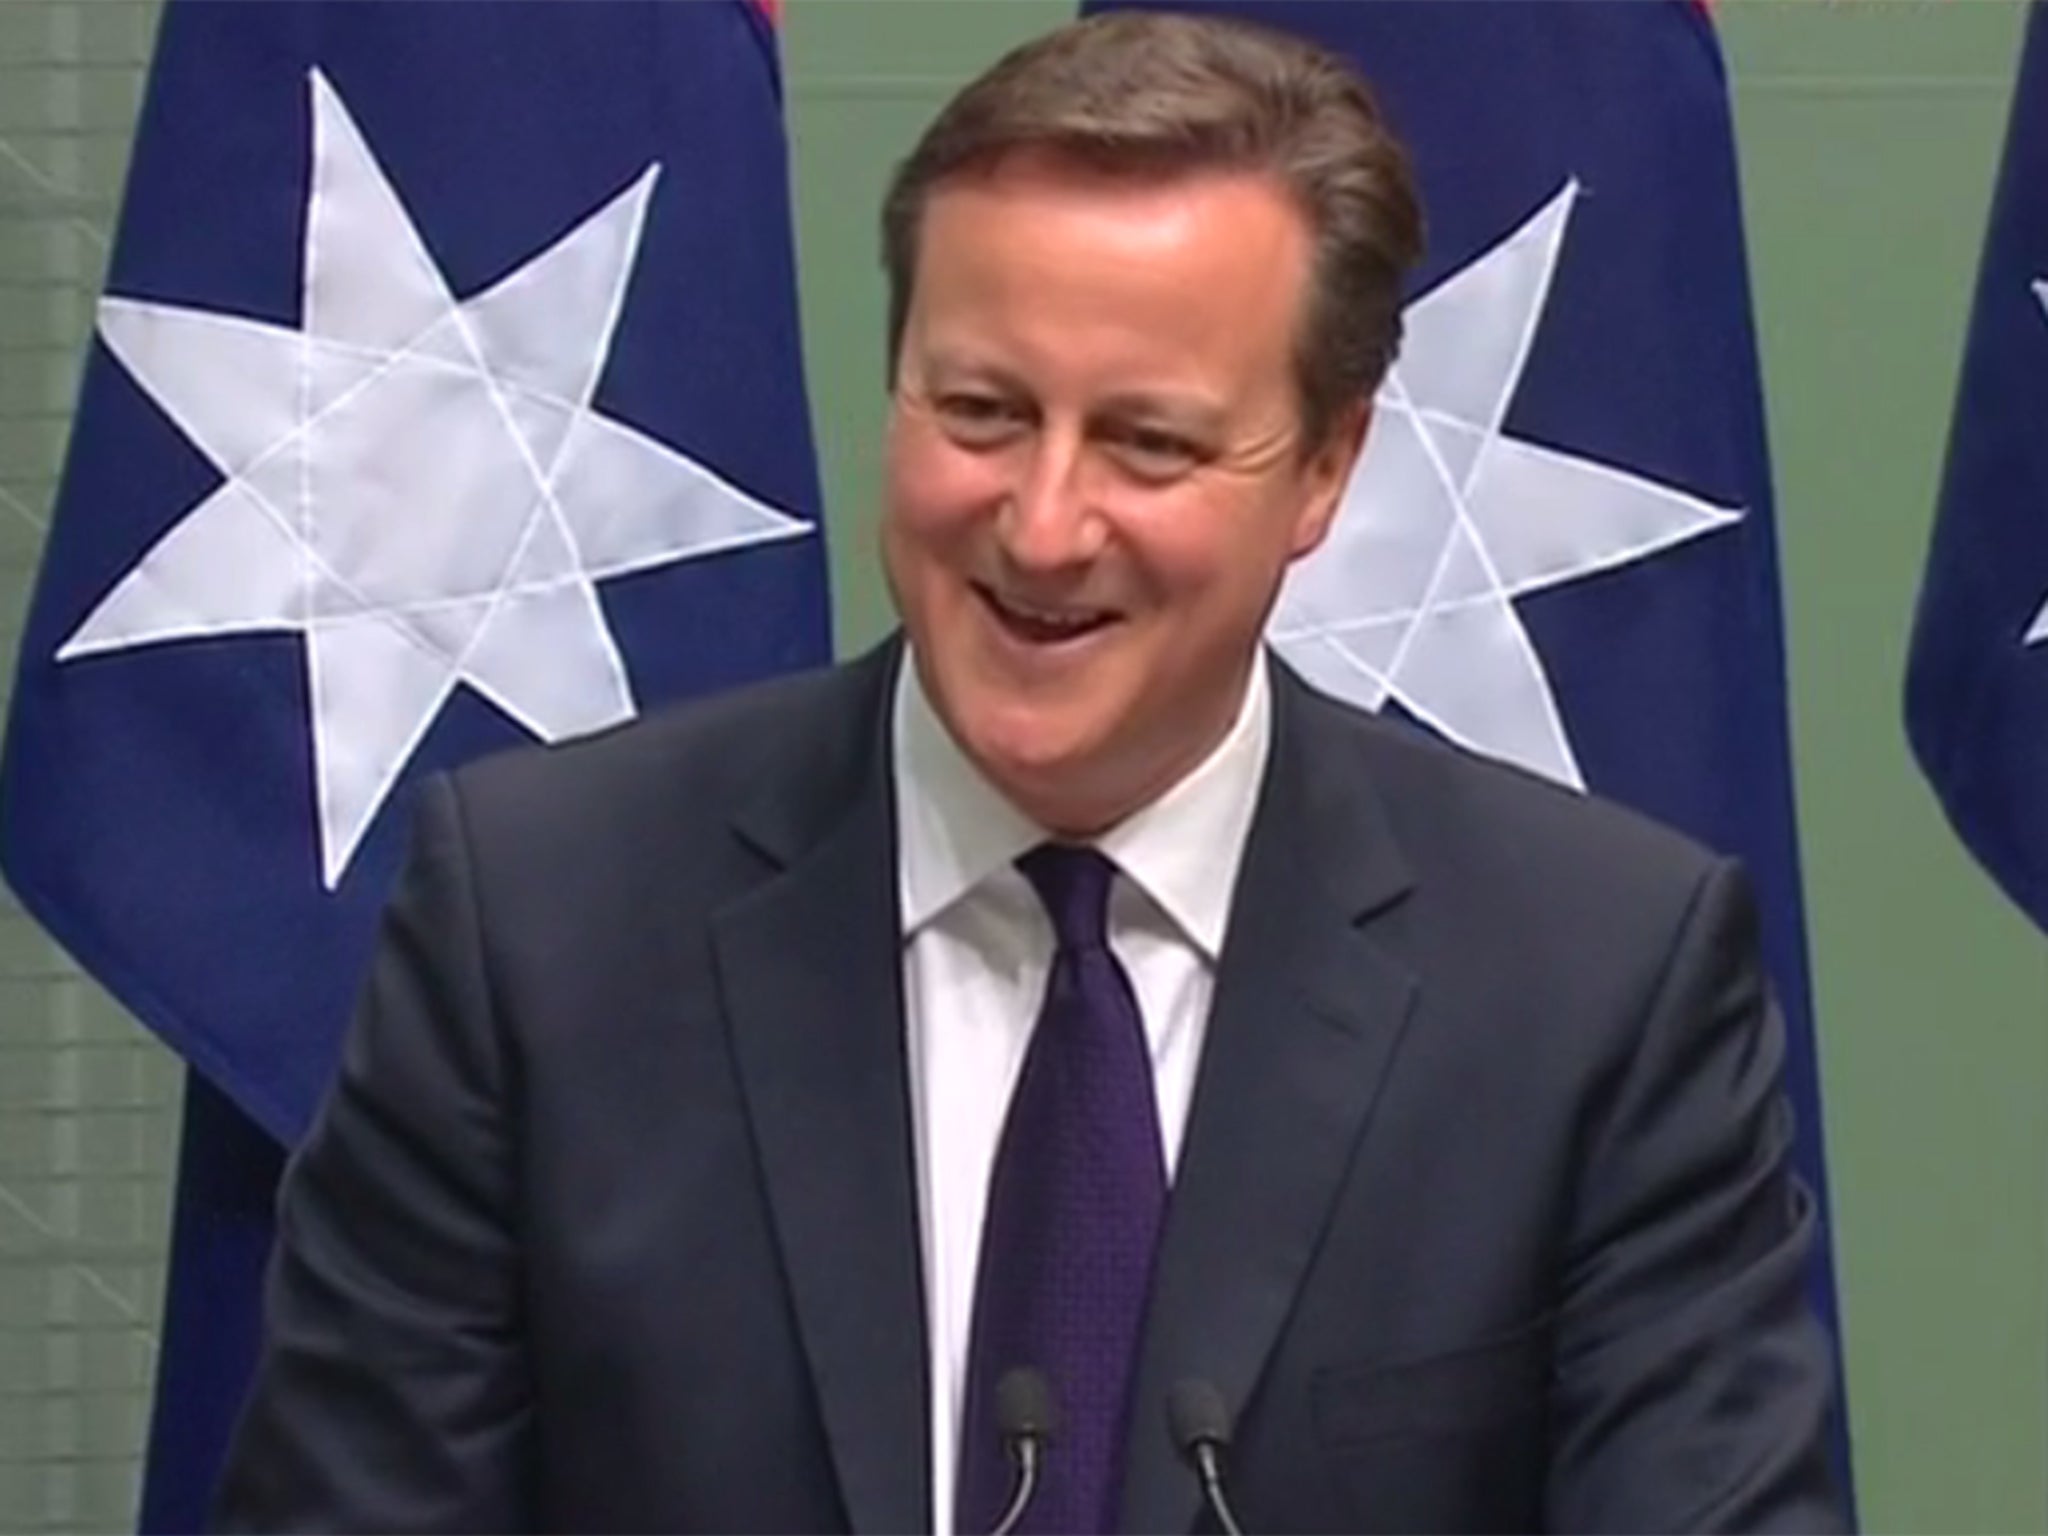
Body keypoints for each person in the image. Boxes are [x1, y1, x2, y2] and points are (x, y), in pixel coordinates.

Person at [213, 11, 1846, 1533]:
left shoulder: (1596, 984)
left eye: (1149, 442)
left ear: (1327, 470)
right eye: (983, 411)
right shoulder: (541, 924)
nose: (1046, 525)